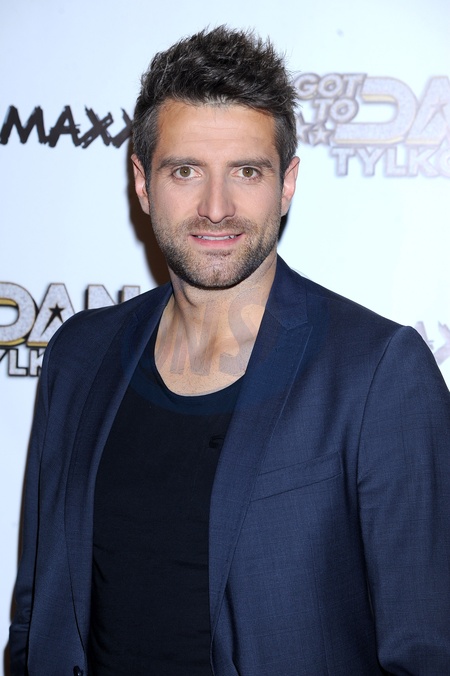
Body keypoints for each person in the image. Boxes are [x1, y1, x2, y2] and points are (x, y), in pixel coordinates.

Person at [9, 25, 450, 676]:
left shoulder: (379, 373)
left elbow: (427, 650)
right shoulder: (79, 356)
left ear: (287, 183)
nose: (216, 208)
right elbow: (37, 615)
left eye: (247, 171)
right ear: (142, 182)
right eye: (185, 171)